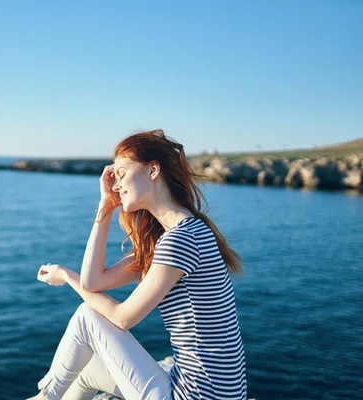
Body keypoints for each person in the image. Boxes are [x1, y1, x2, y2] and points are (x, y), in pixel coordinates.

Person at [27, 129, 247, 400]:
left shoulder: (181, 239)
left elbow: (122, 317)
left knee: (87, 316)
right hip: (204, 392)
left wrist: (66, 276)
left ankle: (43, 398)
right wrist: (105, 205)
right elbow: (93, 282)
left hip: (197, 396)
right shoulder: (178, 235)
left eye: (121, 173)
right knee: (85, 372)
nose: (116, 185)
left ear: (153, 170)